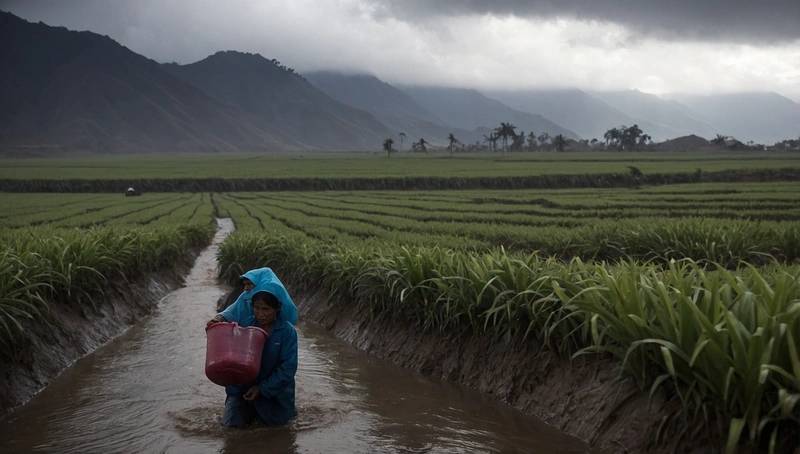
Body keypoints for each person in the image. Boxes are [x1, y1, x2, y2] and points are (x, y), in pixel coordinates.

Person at [219, 291, 298, 427]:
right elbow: (233, 360)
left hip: (276, 393)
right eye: (257, 308)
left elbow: (288, 369)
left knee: (278, 429)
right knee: (231, 427)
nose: (260, 314)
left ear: (277, 308)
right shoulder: (244, 326)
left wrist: (262, 389)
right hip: (244, 389)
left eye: (266, 309)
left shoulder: (287, 332)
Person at [207, 267, 298, 327]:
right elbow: (232, 311)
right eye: (256, 308)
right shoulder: (246, 297)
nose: (246, 288)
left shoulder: (273, 291)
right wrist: (218, 318)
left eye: (249, 284)